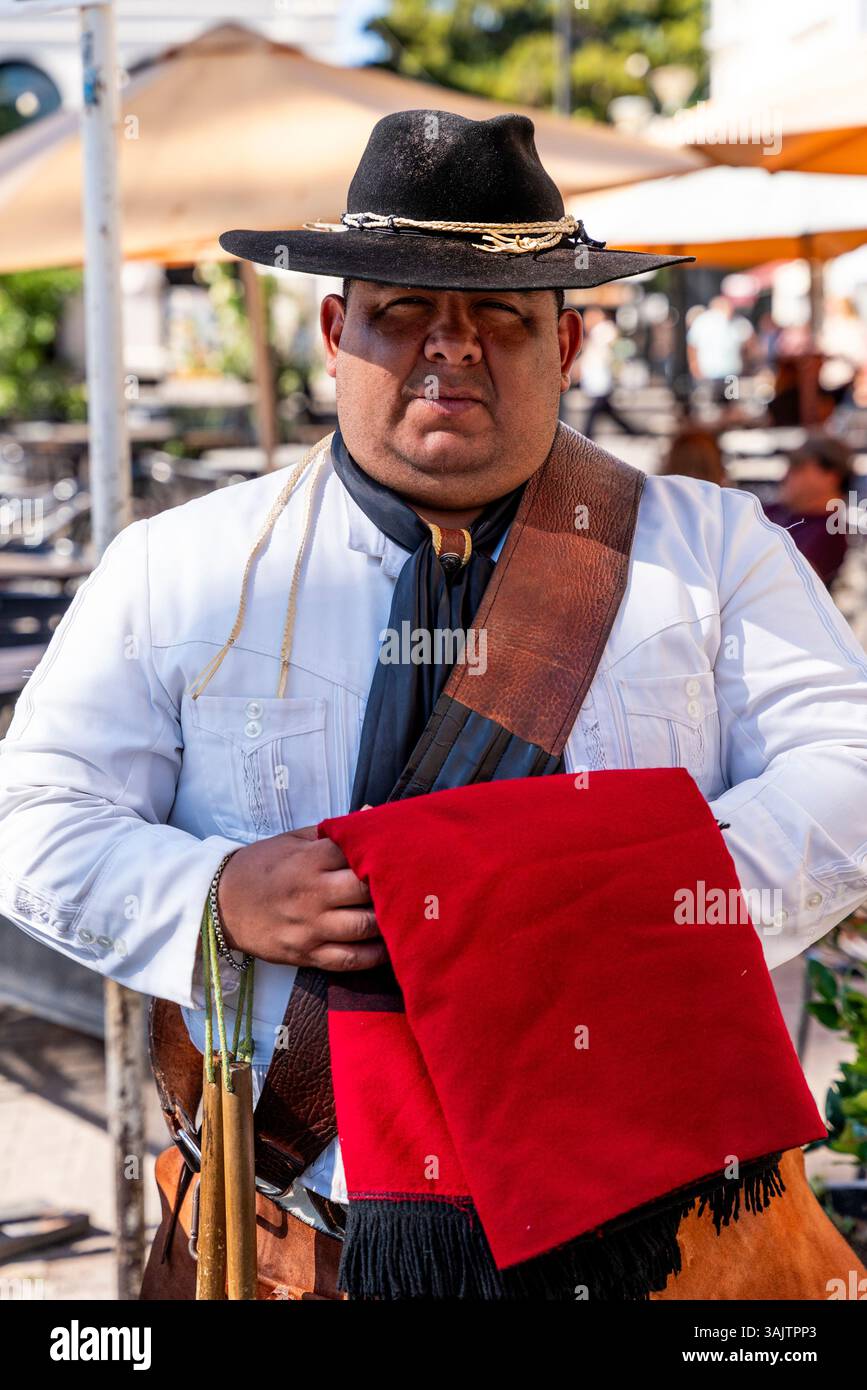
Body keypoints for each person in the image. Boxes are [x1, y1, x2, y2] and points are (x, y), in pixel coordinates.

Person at [1, 109, 867, 1298]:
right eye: (403, 310)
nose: (450, 347)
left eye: (500, 317)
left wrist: (649, 898)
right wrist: (215, 895)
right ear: (332, 330)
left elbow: (850, 769)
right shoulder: (177, 566)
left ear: (565, 343)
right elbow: (34, 815)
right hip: (298, 1229)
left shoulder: (715, 549)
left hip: (651, 1242)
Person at [763, 433, 853, 588]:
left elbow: (786, 588)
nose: (786, 475)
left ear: (830, 477)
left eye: (798, 467)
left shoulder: (831, 532)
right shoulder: (775, 510)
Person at [578, 305, 636, 437]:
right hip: (595, 374)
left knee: (597, 407)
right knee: (605, 408)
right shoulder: (596, 332)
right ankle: (631, 430)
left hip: (601, 374)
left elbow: (612, 349)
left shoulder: (604, 330)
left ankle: (587, 434)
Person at [687, 295, 754, 404]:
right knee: (708, 405)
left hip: (731, 373)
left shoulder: (738, 323)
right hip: (708, 373)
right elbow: (692, 346)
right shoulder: (703, 322)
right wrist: (694, 366)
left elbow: (747, 345)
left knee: (731, 403)